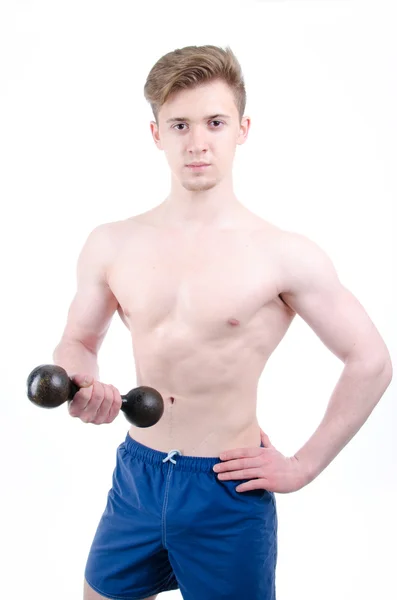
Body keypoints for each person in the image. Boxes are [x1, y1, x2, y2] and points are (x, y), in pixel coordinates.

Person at [53, 45, 393, 600]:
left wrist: (303, 466)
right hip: (136, 477)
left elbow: (371, 361)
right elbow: (77, 341)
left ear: (243, 129)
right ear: (156, 134)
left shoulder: (284, 254)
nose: (197, 142)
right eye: (179, 124)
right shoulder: (111, 243)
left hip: (226, 487)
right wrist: (80, 384)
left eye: (215, 122)